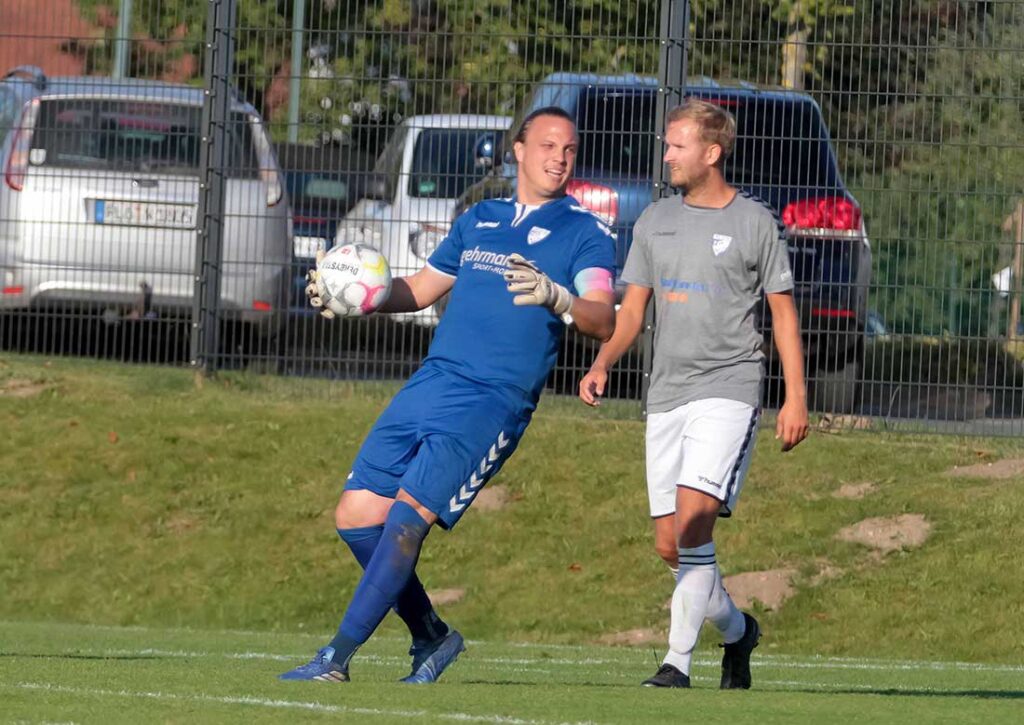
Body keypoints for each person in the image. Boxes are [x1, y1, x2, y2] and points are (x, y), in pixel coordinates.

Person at [279, 106, 616, 683]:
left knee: (409, 518)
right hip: (435, 380)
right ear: (518, 149)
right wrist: (359, 297)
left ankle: (335, 658)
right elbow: (419, 289)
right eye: (548, 145)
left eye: (569, 149)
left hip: (495, 398)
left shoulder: (585, 233)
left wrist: (558, 297)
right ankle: (432, 635)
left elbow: (602, 316)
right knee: (357, 514)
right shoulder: (479, 217)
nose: (559, 157)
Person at [578, 99, 808, 689]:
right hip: (667, 395)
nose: (667, 154)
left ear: (712, 153)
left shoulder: (756, 223)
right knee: (670, 545)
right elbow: (632, 312)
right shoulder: (654, 220)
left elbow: (783, 316)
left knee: (693, 522)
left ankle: (675, 664)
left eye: (677, 145)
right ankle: (737, 631)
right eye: (667, 144)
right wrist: (604, 360)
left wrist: (796, 396)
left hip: (729, 389)